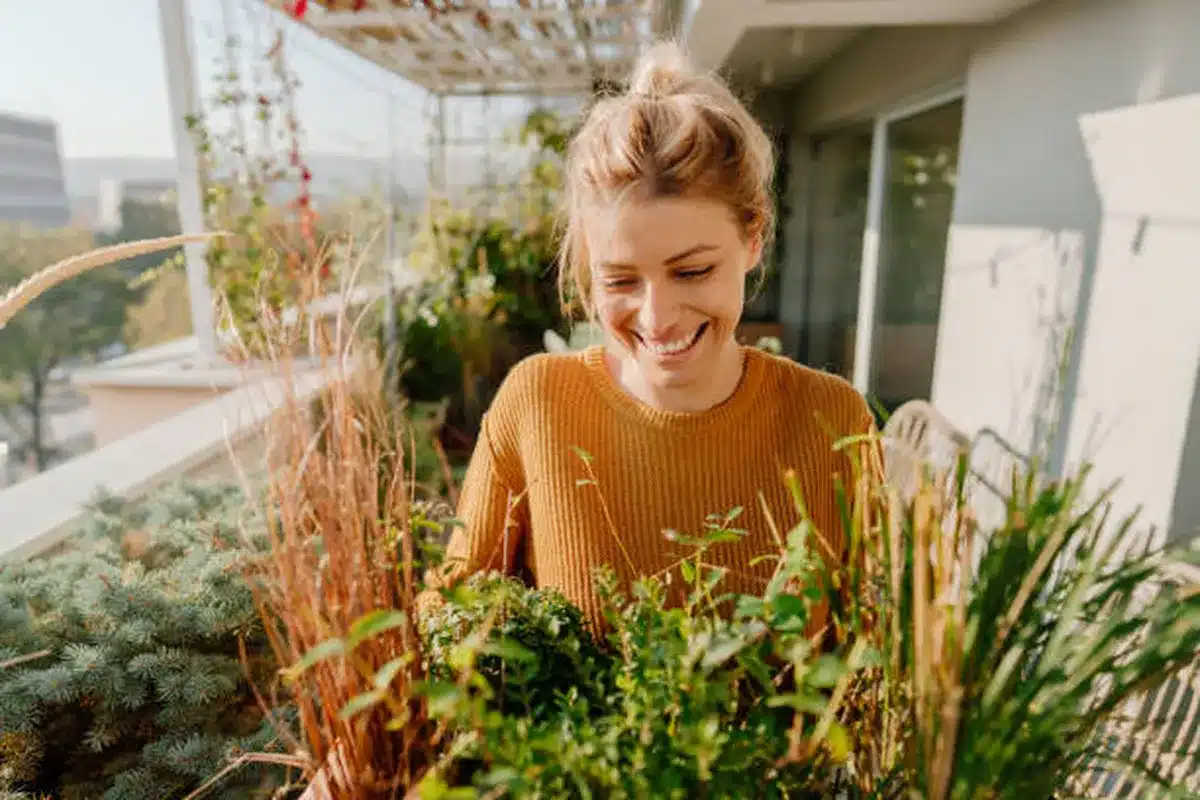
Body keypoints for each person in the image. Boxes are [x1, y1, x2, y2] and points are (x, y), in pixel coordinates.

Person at [422, 41, 876, 635]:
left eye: (692, 271)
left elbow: (878, 645)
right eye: (621, 280)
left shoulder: (833, 422)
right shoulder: (535, 404)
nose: (658, 317)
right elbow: (450, 614)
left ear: (753, 239)